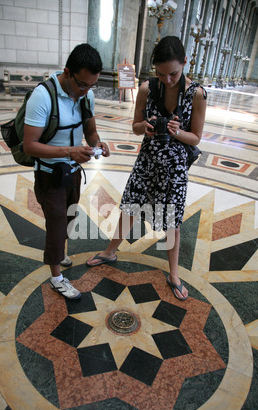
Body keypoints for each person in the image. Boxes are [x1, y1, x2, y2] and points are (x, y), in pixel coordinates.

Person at [86, 36, 207, 301]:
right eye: (161, 74)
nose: (168, 80)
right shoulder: (146, 89)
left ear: (184, 63)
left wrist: (177, 133)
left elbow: (196, 138)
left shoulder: (197, 94)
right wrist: (147, 126)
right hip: (147, 161)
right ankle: (110, 251)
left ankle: (173, 274)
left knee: (172, 220)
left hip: (175, 168)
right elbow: (135, 126)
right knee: (130, 206)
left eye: (173, 73)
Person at [23, 43, 110, 299]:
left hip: (72, 172)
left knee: (70, 216)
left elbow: (90, 132)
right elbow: (30, 146)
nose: (86, 91)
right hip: (49, 174)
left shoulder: (86, 96)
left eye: (91, 85)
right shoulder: (42, 96)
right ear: (67, 72)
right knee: (57, 223)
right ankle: (57, 277)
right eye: (82, 84)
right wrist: (69, 151)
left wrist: (97, 145)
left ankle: (59, 253)